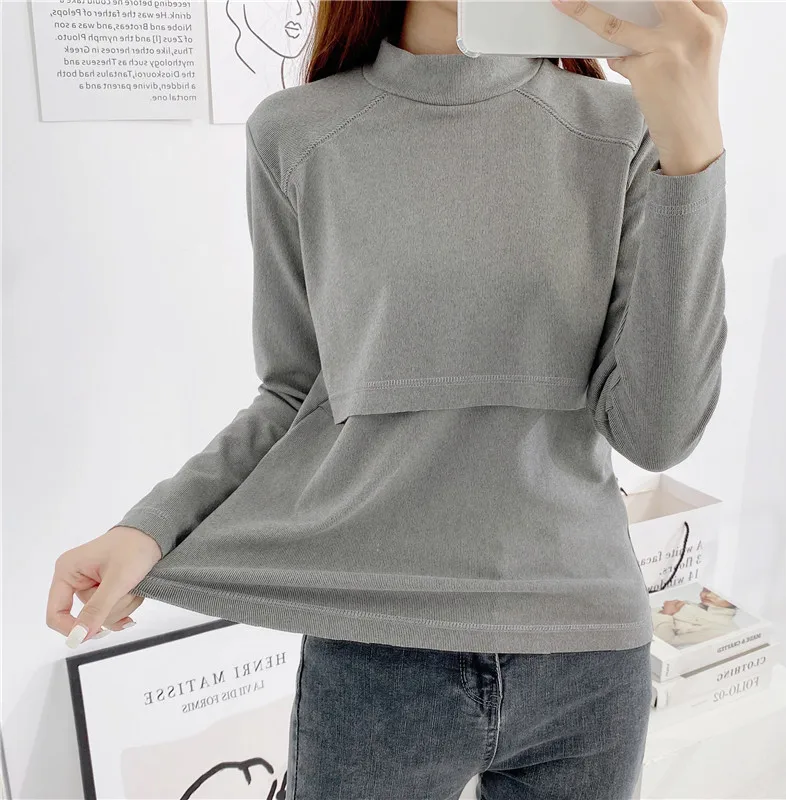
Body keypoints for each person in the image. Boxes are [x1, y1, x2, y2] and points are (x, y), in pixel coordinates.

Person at [46, 0, 728, 797]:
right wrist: (153, 526)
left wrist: (694, 153)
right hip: (374, 654)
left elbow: (658, 433)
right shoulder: (297, 134)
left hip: (586, 655)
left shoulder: (623, 127)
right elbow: (295, 391)